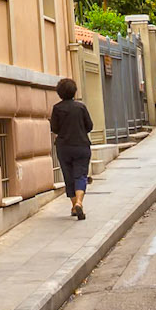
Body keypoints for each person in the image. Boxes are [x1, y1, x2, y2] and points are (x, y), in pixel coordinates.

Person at [50, 77, 94, 219]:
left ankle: (74, 205)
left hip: (64, 148)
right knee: (80, 175)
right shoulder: (81, 107)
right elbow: (89, 126)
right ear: (74, 92)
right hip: (81, 145)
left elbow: (54, 128)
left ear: (59, 93)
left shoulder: (57, 108)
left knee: (68, 176)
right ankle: (79, 203)